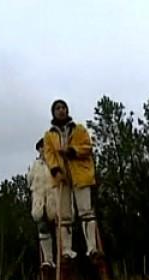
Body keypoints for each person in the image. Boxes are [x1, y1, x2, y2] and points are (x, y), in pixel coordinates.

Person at [43, 99, 100, 261]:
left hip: (81, 175)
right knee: (65, 215)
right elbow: (49, 155)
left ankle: (92, 247)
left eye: (63, 108)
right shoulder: (49, 135)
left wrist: (72, 151)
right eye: (57, 108)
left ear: (67, 110)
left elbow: (88, 147)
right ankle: (66, 250)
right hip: (62, 179)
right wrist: (55, 170)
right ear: (53, 113)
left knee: (86, 211)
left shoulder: (79, 129)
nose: (61, 111)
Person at [28, 138, 57, 269]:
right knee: (43, 228)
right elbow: (29, 181)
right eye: (41, 148)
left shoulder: (56, 162)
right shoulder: (35, 165)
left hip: (55, 199)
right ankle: (48, 259)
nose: (43, 150)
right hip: (40, 201)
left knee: (60, 228)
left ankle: (63, 255)